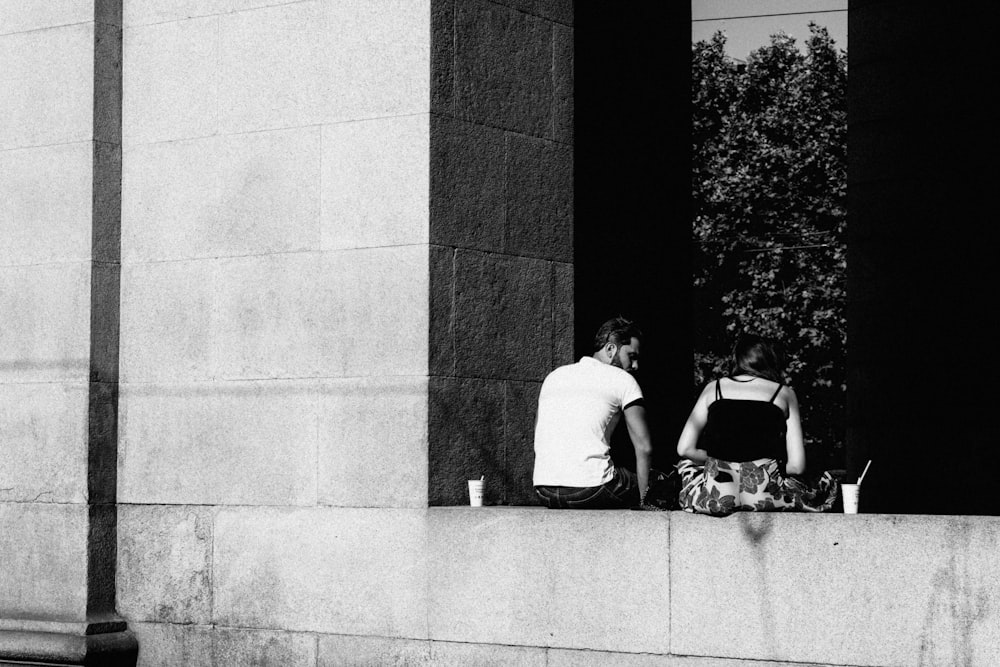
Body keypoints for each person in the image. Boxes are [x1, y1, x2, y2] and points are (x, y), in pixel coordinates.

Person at [675, 334, 838, 516]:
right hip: (764, 496)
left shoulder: (714, 388)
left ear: (737, 359)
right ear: (770, 360)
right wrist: (765, 467)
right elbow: (797, 466)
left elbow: (684, 449)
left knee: (686, 465)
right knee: (825, 482)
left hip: (718, 495)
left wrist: (719, 463)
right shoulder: (784, 393)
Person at [533, 317, 674, 509]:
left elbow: (539, 436)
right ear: (610, 349)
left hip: (544, 490)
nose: (635, 366)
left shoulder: (555, 376)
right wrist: (644, 501)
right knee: (659, 482)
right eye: (631, 356)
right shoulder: (623, 379)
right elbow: (644, 447)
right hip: (591, 488)